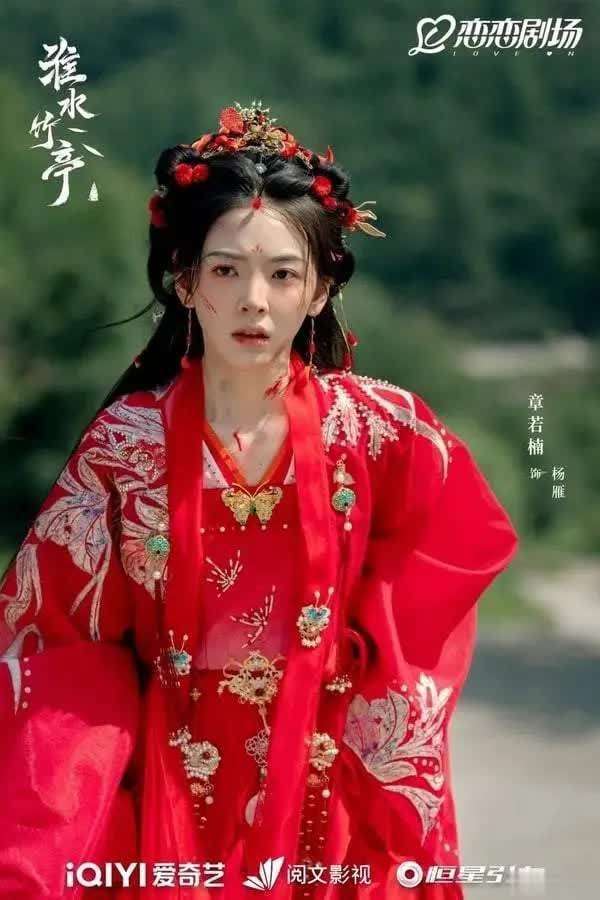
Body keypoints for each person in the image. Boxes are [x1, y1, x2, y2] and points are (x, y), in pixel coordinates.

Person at [0, 101, 519, 900]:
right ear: (184, 281)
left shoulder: (383, 432)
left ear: (319, 290)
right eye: (225, 270)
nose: (254, 299)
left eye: (282, 274)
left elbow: (451, 558)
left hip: (328, 781)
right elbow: (59, 642)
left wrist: (376, 706)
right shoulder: (125, 446)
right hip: (172, 782)